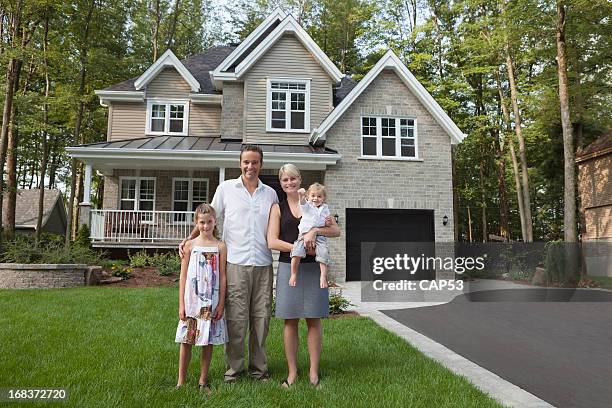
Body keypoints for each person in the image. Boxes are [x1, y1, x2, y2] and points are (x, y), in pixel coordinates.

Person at [179, 144, 278, 383]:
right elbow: (209, 218)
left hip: (264, 264)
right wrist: (190, 239)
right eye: (246, 162)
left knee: (261, 319)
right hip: (234, 263)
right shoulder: (225, 189)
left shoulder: (271, 194)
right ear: (240, 163)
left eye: (255, 162)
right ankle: (234, 370)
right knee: (235, 319)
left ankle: (259, 370)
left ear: (261, 165)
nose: (250, 167)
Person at [267, 163, 340, 388]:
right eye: (285, 180)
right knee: (290, 321)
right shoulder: (277, 208)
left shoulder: (315, 204)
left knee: (313, 320)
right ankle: (291, 373)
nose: (289, 183)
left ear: (300, 180)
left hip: (314, 269)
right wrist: (300, 246)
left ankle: (313, 374)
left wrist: (314, 231)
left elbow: (336, 231)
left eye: (293, 179)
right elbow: (272, 241)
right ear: (281, 184)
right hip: (290, 268)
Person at [175, 203, 227, 393]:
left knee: (208, 341)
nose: (206, 226)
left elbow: (222, 276)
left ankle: (203, 380)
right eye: (202, 223)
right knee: (187, 341)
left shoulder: (220, 246)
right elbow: (182, 276)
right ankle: (181, 381)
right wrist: (181, 304)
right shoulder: (190, 246)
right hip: (192, 301)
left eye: (209, 222)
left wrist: (221, 302)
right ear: (196, 223)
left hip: (211, 302)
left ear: (215, 222)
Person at [289, 183, 331, 288]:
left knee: (324, 253)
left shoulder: (325, 208)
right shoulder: (308, 206)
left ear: (324, 198)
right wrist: (301, 195)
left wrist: (328, 222)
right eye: (313, 195)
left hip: (320, 236)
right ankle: (294, 274)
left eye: (319, 196)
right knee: (296, 252)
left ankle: (323, 276)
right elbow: (302, 203)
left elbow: (327, 223)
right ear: (308, 196)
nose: (315, 198)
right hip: (303, 235)